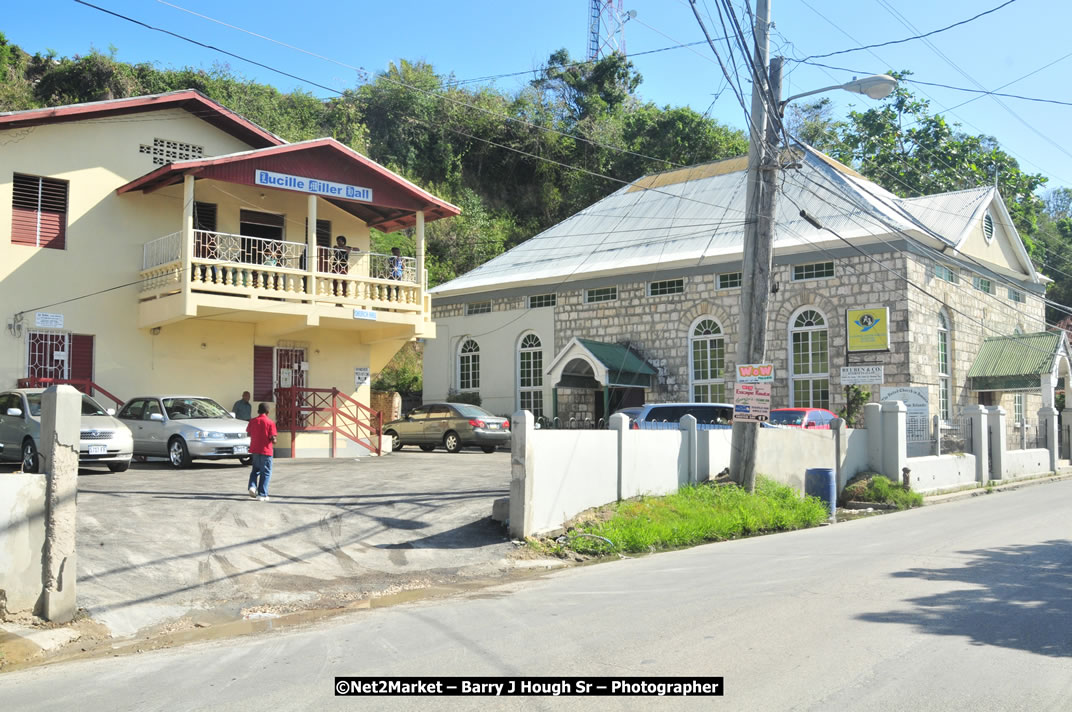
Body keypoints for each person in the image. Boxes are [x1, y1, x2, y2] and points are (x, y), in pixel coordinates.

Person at [246, 403, 277, 501]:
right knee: (266, 472)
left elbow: (248, 433)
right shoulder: (270, 422)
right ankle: (262, 494)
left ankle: (252, 486)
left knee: (255, 470)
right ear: (268, 412)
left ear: (258, 411)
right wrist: (274, 440)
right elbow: (273, 437)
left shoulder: (253, 421)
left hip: (255, 450)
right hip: (266, 451)